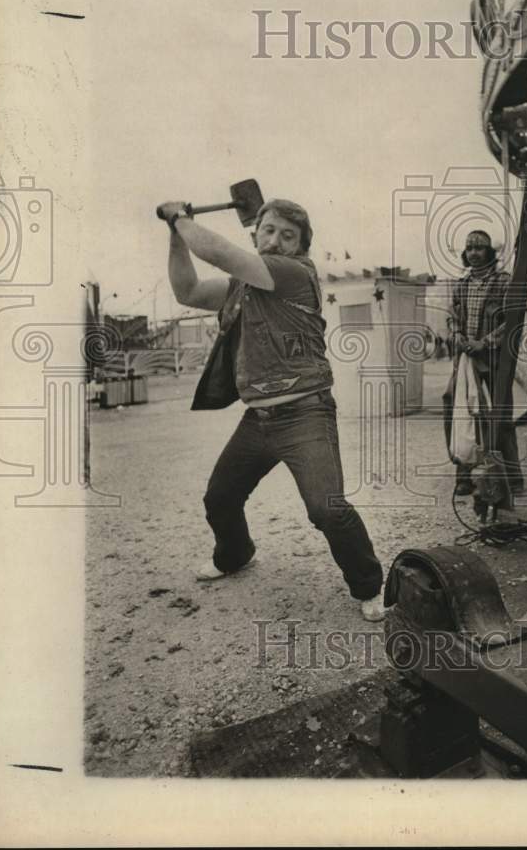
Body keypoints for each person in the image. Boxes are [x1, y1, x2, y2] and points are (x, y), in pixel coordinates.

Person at [157, 197, 386, 620]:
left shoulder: (293, 272)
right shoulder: (243, 286)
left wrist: (179, 216)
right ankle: (235, 555)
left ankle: (371, 587)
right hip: (258, 419)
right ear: (256, 232)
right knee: (220, 498)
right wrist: (175, 235)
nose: (276, 241)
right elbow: (187, 291)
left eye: (288, 235)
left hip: (305, 413)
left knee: (326, 510)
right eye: (269, 231)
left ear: (300, 247)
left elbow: (220, 253)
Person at [449, 230, 523, 496]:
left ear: (490, 252)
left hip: (493, 360)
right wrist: (457, 336)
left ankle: (512, 478)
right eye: (469, 248)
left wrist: (486, 342)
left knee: (500, 415)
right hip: (466, 359)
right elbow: (453, 316)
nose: (474, 253)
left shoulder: (504, 282)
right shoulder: (462, 284)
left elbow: (513, 320)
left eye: (479, 248)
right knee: (460, 412)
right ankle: (464, 475)